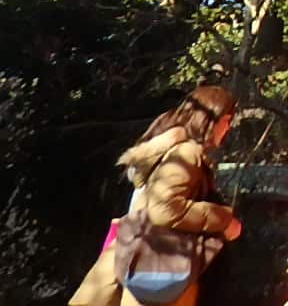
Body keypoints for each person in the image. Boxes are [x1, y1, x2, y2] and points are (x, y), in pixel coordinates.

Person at [70, 85, 243, 306]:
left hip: (139, 262)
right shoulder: (187, 153)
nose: (228, 128)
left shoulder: (174, 151)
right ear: (213, 119)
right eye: (227, 120)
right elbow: (164, 208)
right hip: (160, 270)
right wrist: (224, 219)